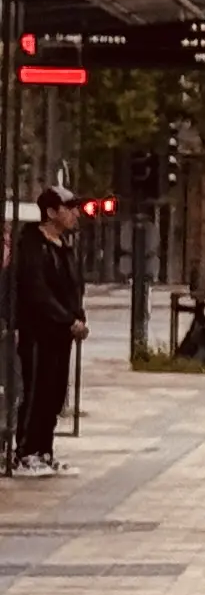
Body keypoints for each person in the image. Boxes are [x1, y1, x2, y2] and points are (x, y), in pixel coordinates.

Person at [11, 189, 89, 477]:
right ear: (52, 212)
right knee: (35, 391)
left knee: (54, 393)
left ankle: (45, 450)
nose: (75, 213)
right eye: (69, 208)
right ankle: (25, 452)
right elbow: (37, 290)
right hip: (38, 331)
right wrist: (66, 318)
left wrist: (78, 316)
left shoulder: (64, 246)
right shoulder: (33, 246)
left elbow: (73, 286)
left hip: (62, 333)